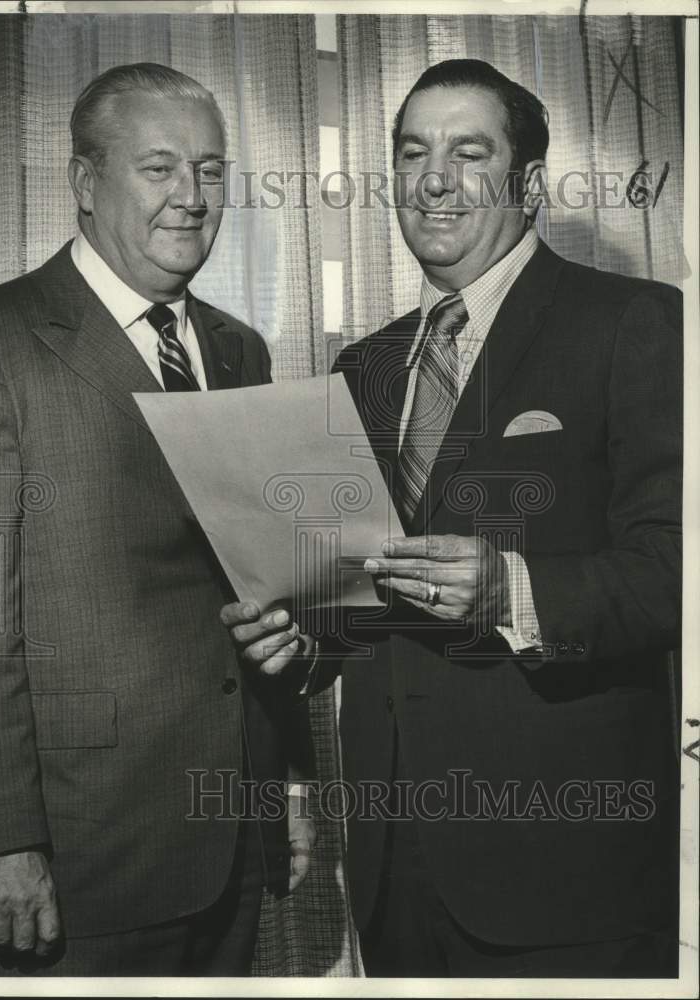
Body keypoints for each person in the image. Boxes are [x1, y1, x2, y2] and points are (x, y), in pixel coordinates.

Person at [222, 59, 681, 977]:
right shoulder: (363, 366)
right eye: (412, 152)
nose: (434, 179)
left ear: (528, 181)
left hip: (565, 864)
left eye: (469, 152)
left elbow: (680, 566)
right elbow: (361, 596)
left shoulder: (634, 321)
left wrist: (514, 588)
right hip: (393, 860)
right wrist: (303, 639)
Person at [0, 62, 315, 977]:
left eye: (211, 171)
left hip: (232, 838)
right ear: (86, 183)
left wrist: (286, 777)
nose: (192, 197)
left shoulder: (239, 349)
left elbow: (261, 593)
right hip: (76, 857)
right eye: (160, 168)